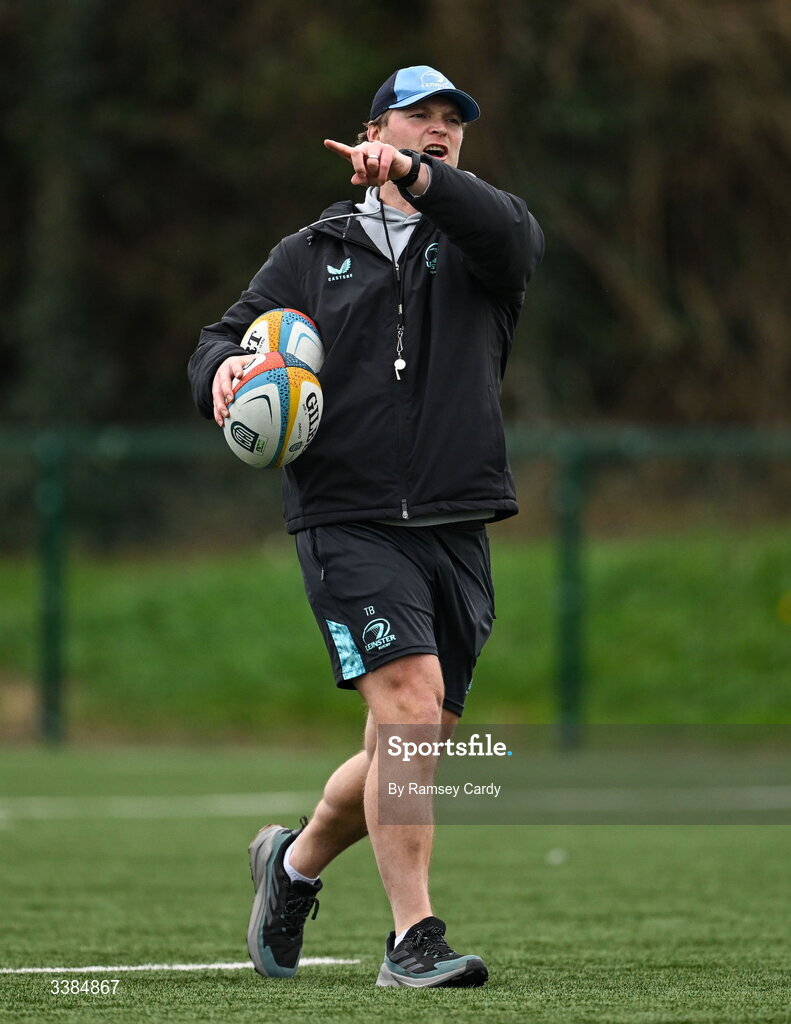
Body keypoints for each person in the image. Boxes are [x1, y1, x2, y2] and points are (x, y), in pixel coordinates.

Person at [188, 64, 543, 988]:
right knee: (408, 710)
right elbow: (221, 339)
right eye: (417, 116)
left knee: (416, 738)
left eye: (450, 120)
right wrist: (223, 372)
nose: (438, 129)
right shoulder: (312, 251)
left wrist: (420, 179)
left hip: (456, 519)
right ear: (371, 130)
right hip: (344, 515)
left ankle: (293, 864)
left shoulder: (481, 238)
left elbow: (511, 236)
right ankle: (411, 941)